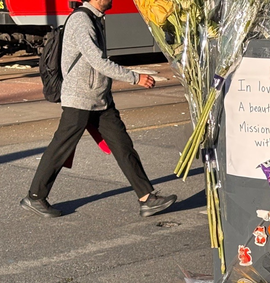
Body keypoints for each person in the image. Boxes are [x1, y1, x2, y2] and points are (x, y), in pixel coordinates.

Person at [21, 0, 176, 218]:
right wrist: (135, 78)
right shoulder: (82, 20)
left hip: (100, 98)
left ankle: (147, 198)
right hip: (81, 98)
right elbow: (98, 61)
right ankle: (35, 197)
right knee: (60, 147)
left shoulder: (95, 19)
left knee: (123, 146)